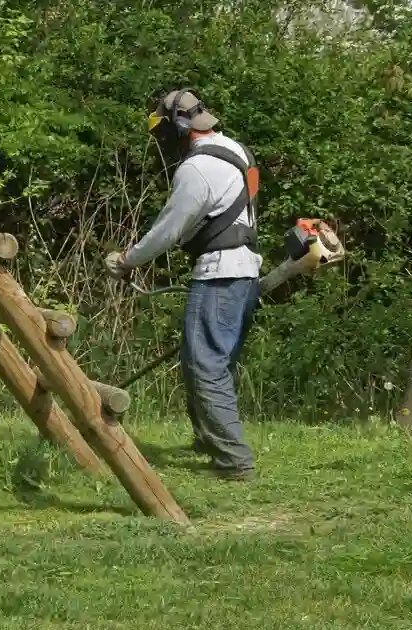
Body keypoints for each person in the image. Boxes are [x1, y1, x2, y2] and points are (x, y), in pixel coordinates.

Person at [105, 88, 262, 481]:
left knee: (205, 365)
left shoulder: (195, 169)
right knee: (208, 363)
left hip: (220, 272)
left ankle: (234, 460)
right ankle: (210, 440)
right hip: (245, 271)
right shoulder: (236, 151)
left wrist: (126, 260)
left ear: (178, 128)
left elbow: (168, 230)